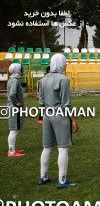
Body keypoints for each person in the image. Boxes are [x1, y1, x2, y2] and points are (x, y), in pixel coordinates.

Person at [39, 54, 78, 188]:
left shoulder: (43, 79)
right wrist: (73, 120)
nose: (66, 64)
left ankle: (43, 177)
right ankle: (62, 180)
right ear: (61, 63)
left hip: (47, 116)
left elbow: (41, 102)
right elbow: (66, 104)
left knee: (47, 148)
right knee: (63, 149)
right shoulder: (63, 79)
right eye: (65, 62)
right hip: (60, 116)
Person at [6, 63, 25, 157]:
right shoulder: (15, 81)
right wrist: (16, 103)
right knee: (14, 129)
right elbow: (12, 94)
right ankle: (11, 151)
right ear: (17, 70)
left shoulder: (12, 79)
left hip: (13, 108)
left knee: (14, 129)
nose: (22, 71)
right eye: (21, 69)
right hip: (15, 109)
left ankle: (12, 149)